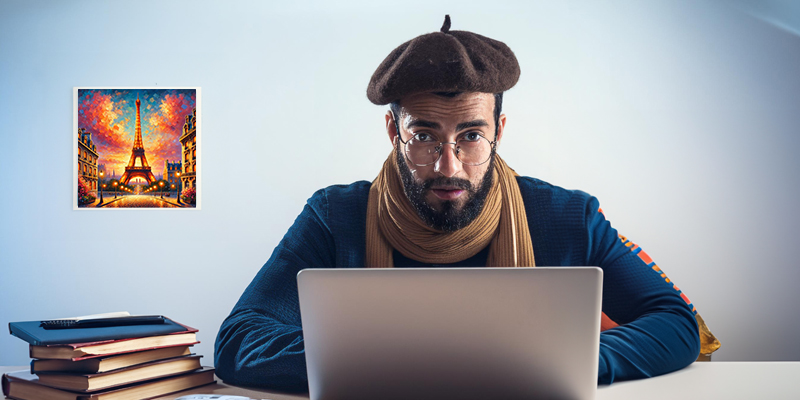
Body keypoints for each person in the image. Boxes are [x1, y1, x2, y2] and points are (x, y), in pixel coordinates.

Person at [214, 15, 719, 391]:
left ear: (499, 131)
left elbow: (673, 322)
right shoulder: (333, 217)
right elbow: (238, 340)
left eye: (471, 136)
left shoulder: (568, 217)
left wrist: (572, 358)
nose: (448, 166)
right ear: (393, 131)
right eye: (424, 136)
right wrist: (402, 363)